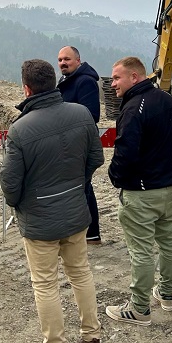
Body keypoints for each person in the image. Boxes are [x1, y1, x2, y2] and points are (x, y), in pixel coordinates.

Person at [0, 59, 105, 343]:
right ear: (54, 82)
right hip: (76, 212)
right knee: (81, 274)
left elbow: (10, 184)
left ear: (26, 89)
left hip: (40, 219)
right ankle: (91, 341)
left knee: (45, 284)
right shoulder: (81, 114)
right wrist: (76, 185)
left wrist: (21, 204)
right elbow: (96, 158)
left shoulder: (20, 129)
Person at [105, 56, 172, 326]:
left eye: (117, 78)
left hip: (141, 193)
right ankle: (167, 294)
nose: (112, 84)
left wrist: (115, 176)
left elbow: (125, 152)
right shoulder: (167, 99)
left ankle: (139, 308)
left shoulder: (132, 109)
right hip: (167, 187)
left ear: (134, 77)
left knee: (141, 251)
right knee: (168, 242)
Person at [57, 45, 102, 244]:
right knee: (82, 187)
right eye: (60, 60)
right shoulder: (65, 80)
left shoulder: (85, 82)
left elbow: (91, 115)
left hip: (80, 144)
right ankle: (89, 233)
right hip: (68, 142)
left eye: (67, 59)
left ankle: (91, 232)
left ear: (78, 60)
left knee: (83, 188)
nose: (63, 63)